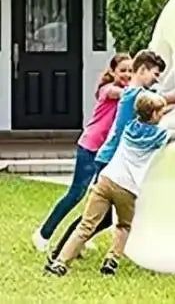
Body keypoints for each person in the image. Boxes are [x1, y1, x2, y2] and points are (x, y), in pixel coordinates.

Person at [46, 50, 175, 263]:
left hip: (110, 156)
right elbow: (165, 101)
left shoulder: (132, 93)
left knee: (101, 216)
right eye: (154, 74)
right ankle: (61, 252)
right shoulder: (137, 95)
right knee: (98, 215)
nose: (156, 79)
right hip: (111, 159)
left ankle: (66, 249)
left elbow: (159, 110)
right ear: (142, 69)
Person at [32, 54, 132, 251]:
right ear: (112, 72)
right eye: (123, 70)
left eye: (131, 71)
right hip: (90, 147)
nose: (127, 74)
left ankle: (79, 238)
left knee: (98, 198)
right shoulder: (108, 90)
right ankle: (43, 234)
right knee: (76, 193)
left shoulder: (129, 93)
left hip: (107, 152)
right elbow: (122, 94)